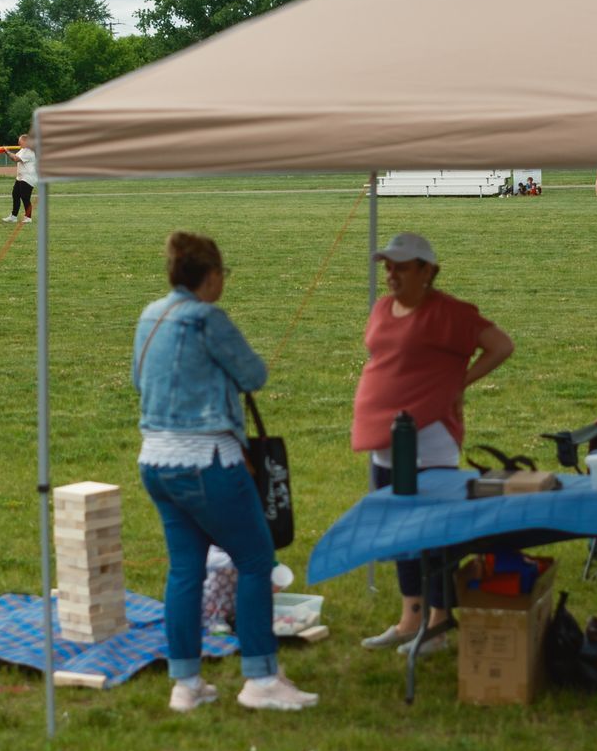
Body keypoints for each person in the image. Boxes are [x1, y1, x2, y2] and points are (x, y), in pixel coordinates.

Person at [132, 231, 316, 713]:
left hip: (155, 459)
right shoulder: (207, 319)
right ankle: (260, 678)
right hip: (208, 460)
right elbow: (254, 375)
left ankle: (186, 684)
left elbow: (137, 378)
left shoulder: (151, 314)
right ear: (210, 276)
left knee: (184, 570)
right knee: (256, 561)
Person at [351, 233, 514, 656]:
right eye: (388, 266)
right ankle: (410, 616)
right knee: (397, 527)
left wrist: (459, 383)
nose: (391, 274)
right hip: (385, 441)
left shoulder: (450, 313)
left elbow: (501, 345)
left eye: (401, 267)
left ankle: (439, 622)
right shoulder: (384, 308)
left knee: (432, 531)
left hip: (428, 442)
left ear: (428, 270)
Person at [5, 131, 37, 224]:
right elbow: (14, 157)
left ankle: (28, 217)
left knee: (25, 197)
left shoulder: (29, 151)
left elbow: (16, 159)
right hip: (20, 177)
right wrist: (7, 153)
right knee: (15, 195)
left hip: (28, 178)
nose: (18, 143)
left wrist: (7, 151)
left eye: (20, 141)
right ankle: (13, 216)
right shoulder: (22, 150)